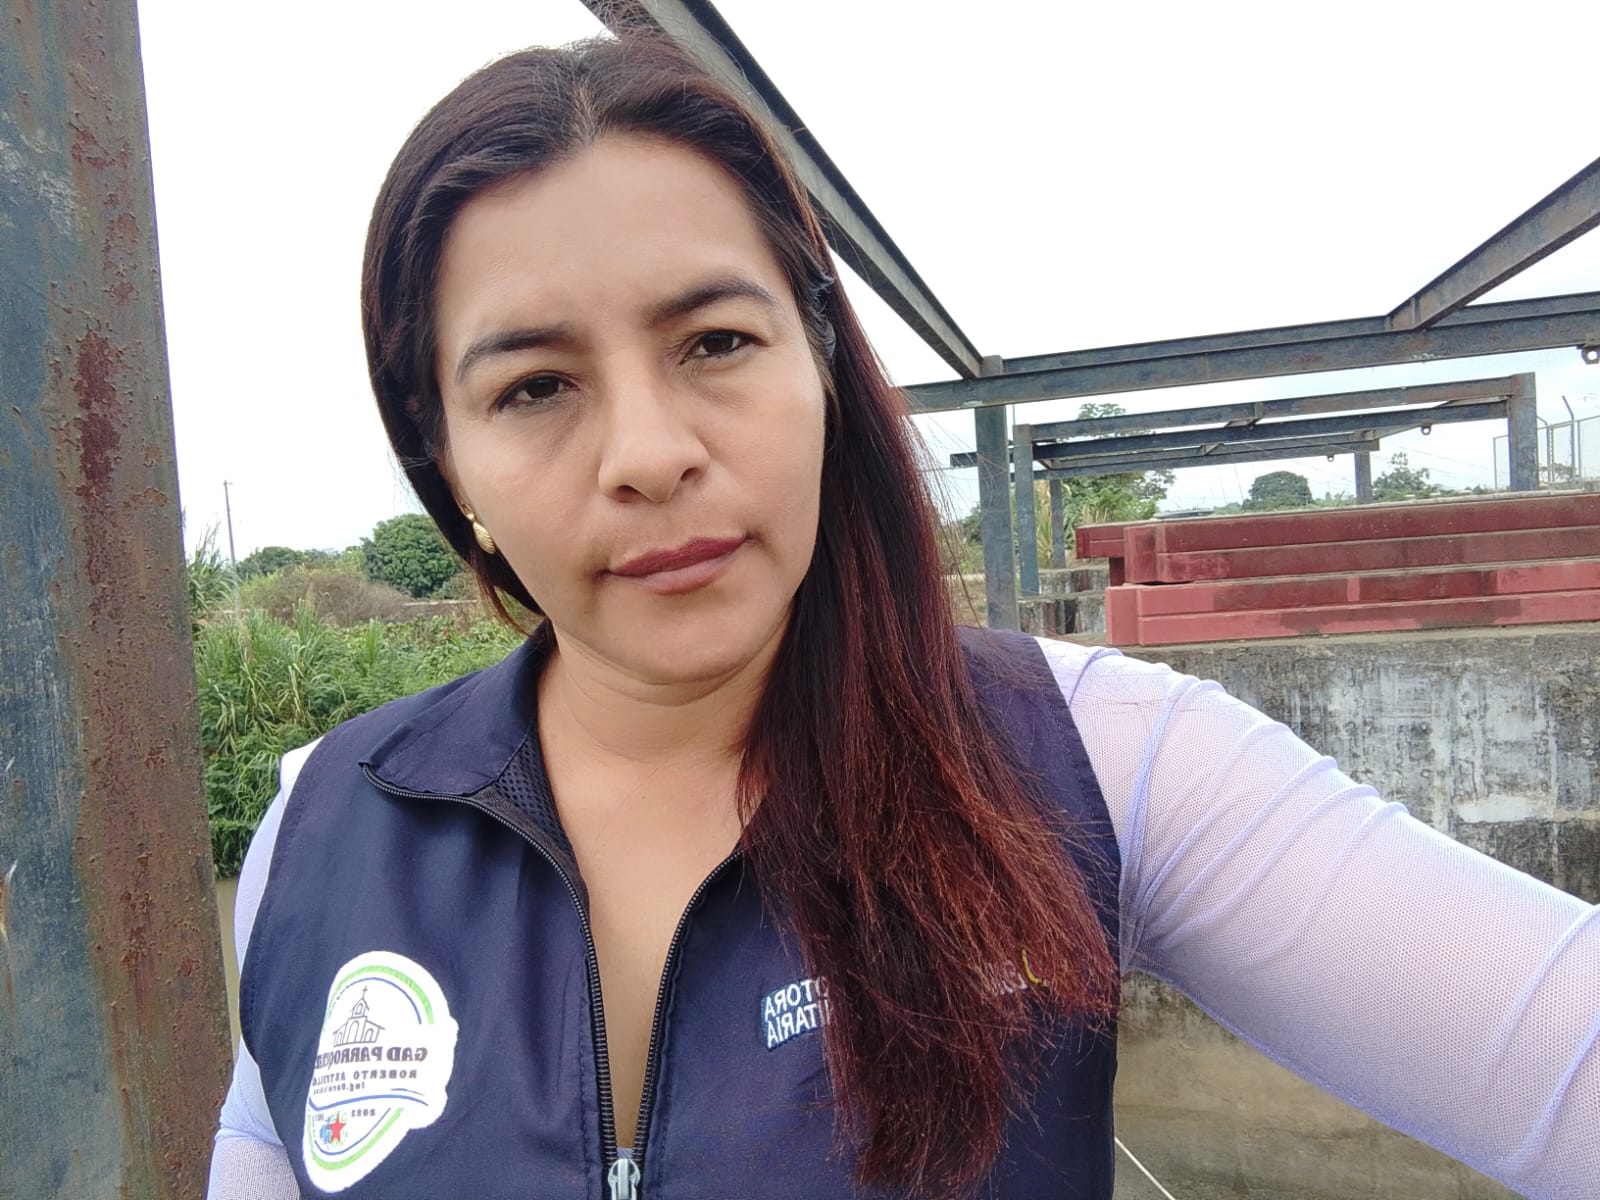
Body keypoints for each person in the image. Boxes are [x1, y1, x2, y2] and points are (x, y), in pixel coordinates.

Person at [207, 35, 1597, 1200]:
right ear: (445, 456)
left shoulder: (1097, 760)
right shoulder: (323, 832)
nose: (649, 452)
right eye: (533, 388)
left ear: (821, 361)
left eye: (715, 342)